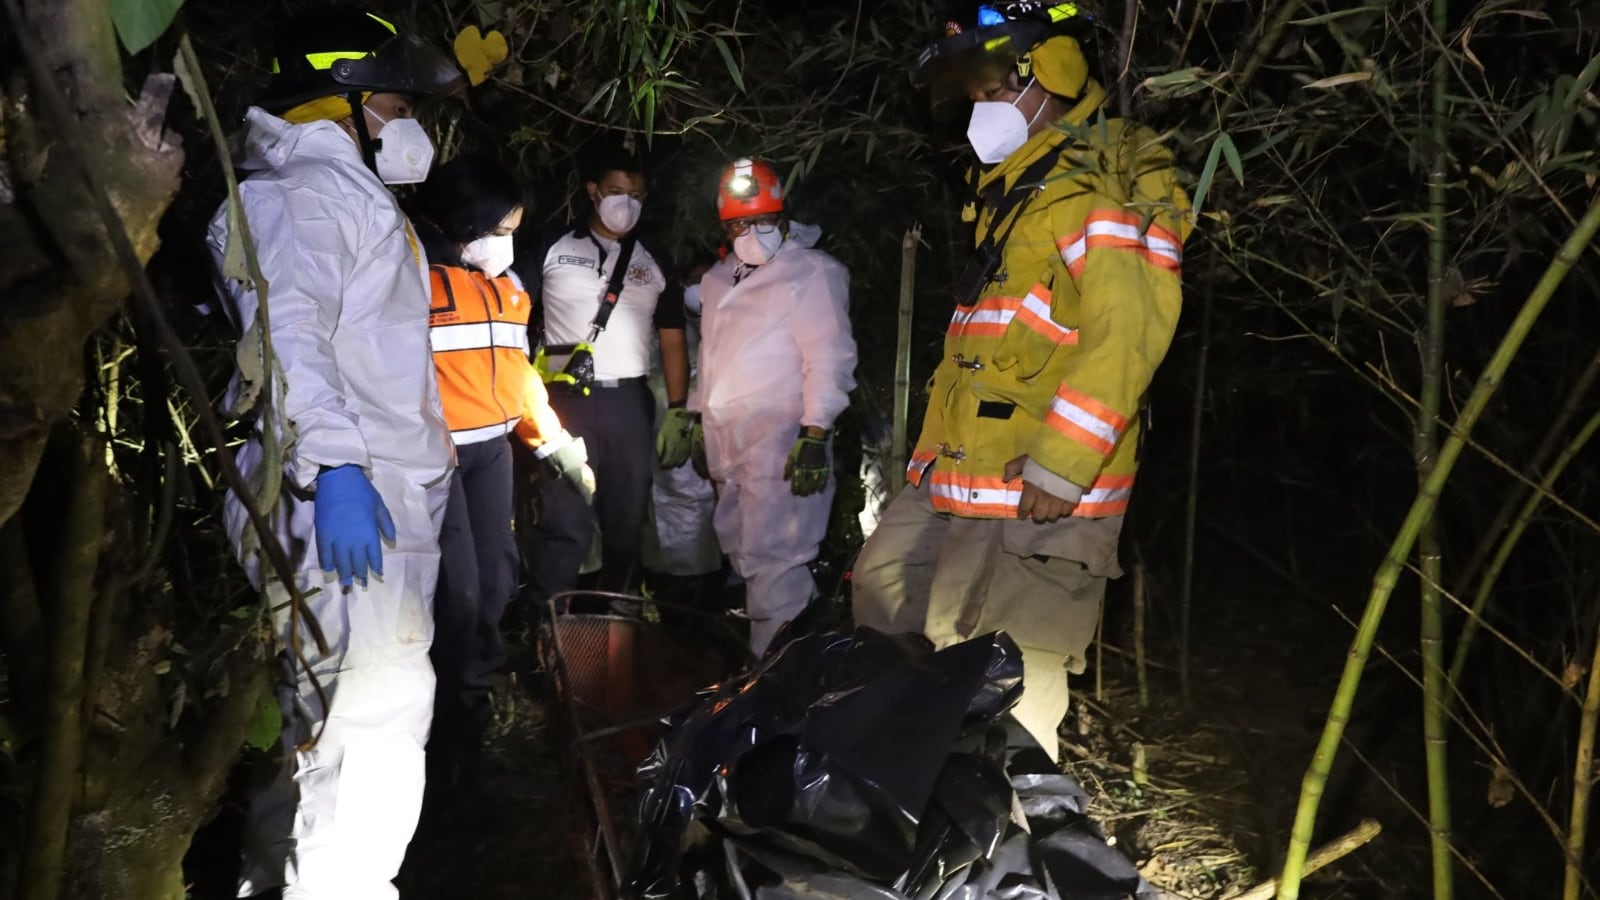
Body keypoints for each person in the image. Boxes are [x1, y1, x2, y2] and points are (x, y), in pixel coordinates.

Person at [850, 2, 1193, 762]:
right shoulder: (1017, 186)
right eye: (968, 89)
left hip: (1038, 484)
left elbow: (1130, 324)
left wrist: (1063, 463)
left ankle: (1006, 819)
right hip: (961, 474)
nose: (978, 103)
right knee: (883, 592)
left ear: (1053, 70)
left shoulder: (1109, 174)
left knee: (1001, 681)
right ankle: (900, 782)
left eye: (990, 82)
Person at [205, 10, 462, 899]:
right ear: (344, 99)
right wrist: (338, 467)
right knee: (371, 729)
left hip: (354, 491)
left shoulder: (327, 190)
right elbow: (287, 335)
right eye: (398, 104)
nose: (410, 125)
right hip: (347, 498)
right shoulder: (307, 194)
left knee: (321, 728)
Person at [407, 154, 594, 801]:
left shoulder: (506, 287)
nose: (508, 242)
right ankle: (435, 743)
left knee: (493, 586)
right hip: (432, 458)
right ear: (465, 220)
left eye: (514, 229)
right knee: (455, 598)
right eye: (500, 228)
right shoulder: (409, 277)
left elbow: (517, 374)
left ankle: (469, 734)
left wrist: (555, 443)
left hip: (489, 452)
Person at [661, 158, 857, 656]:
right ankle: (789, 661)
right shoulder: (718, 280)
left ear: (782, 218)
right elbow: (712, 356)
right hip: (727, 443)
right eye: (739, 224)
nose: (751, 233)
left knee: (777, 562)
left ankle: (775, 675)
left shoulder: (811, 273)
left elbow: (829, 357)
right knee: (747, 558)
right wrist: (697, 415)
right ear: (725, 228)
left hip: (783, 443)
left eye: (763, 221)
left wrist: (816, 431)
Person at [516, 142, 690, 604]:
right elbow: (513, 313)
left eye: (636, 195)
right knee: (563, 517)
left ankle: (617, 621)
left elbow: (673, 337)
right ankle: (547, 622)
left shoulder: (654, 256)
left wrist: (679, 409)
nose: (626, 203)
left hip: (628, 404)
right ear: (592, 191)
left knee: (626, 520)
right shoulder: (552, 243)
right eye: (616, 192)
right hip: (562, 402)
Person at [643, 256, 725, 610]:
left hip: (695, 450)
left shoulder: (720, 325)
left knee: (698, 533)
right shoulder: (663, 323)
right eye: (695, 279)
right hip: (662, 442)